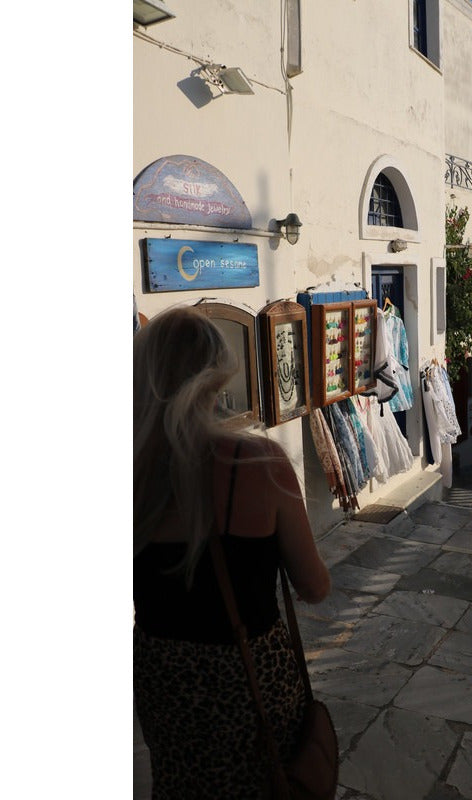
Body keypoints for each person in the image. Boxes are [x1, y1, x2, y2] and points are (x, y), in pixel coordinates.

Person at [133, 305, 331, 799]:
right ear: (216, 373)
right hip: (246, 677)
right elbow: (315, 587)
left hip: (163, 677)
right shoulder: (258, 462)